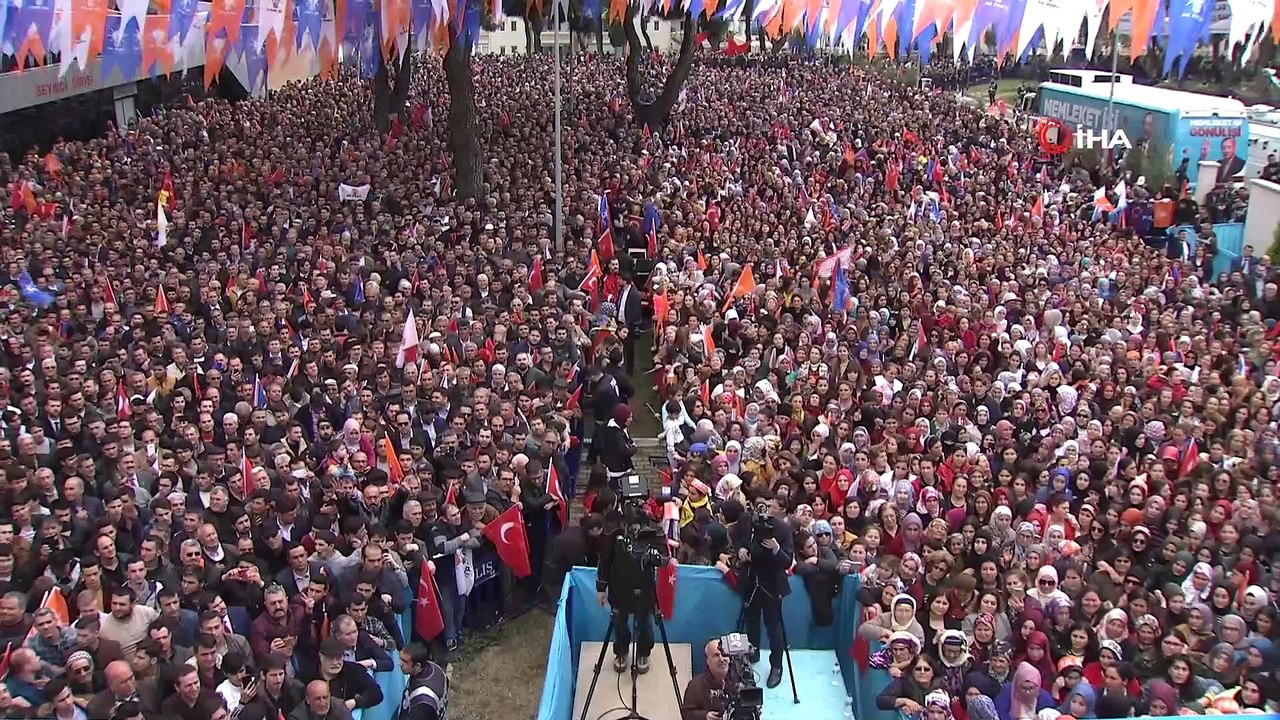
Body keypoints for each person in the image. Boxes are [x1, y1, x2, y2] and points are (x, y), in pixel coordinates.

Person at [596, 497, 671, 675]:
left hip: (644, 586)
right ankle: (621, 651)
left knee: (645, 623)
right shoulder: (613, 530)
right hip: (619, 586)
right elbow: (605, 559)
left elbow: (666, 558)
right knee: (619, 622)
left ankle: (644, 653)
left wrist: (657, 558)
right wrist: (601, 587)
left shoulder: (655, 530)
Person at [730, 492, 793, 689]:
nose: (763, 510)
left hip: (772, 583)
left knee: (773, 626)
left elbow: (787, 561)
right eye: (759, 506)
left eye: (767, 506)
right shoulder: (745, 521)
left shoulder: (782, 528)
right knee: (751, 621)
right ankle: (752, 651)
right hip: (750, 580)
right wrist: (740, 549)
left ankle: (776, 666)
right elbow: (735, 536)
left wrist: (775, 549)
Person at [680, 638, 730, 720]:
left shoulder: (740, 681)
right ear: (707, 660)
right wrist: (705, 716)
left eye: (724, 654)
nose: (722, 659)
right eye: (716, 655)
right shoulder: (695, 685)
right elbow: (686, 714)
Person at [398, 643, 449, 720]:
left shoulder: (423, 701)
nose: (400, 664)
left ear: (417, 665)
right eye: (400, 659)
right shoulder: (434, 667)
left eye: (405, 661)